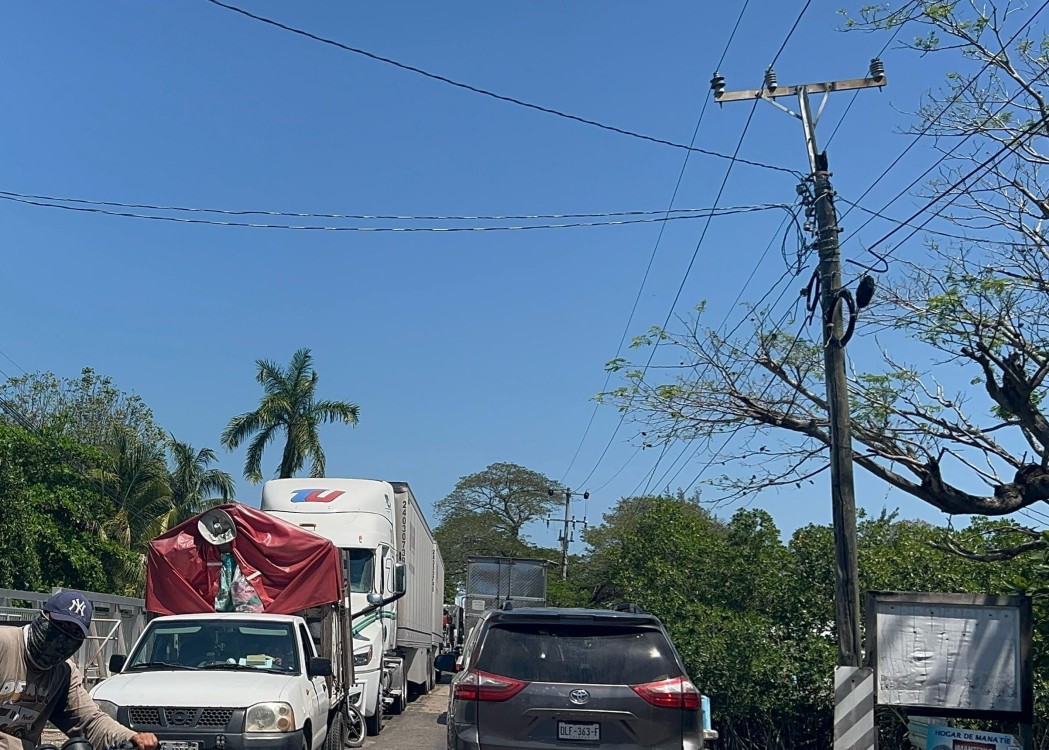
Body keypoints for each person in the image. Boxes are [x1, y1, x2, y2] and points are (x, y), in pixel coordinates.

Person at [0, 590, 158, 750]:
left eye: (74, 634)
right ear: (42, 617)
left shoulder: (64, 673)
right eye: (60, 626)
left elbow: (90, 722)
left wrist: (130, 738)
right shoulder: (4, 644)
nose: (62, 639)